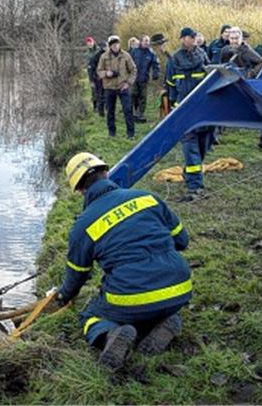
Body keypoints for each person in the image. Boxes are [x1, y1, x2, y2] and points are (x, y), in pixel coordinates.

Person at [55, 152, 192, 371]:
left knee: (90, 315)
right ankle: (164, 320)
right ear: (106, 173)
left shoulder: (82, 226)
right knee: (152, 305)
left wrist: (63, 296)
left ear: (80, 190)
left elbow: (77, 275)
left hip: (130, 295)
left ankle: (109, 334)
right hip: (180, 287)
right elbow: (182, 241)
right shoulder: (148, 198)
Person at [165, 27, 212, 201]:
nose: (194, 39)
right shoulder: (175, 59)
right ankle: (195, 186)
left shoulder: (202, 55)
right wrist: (172, 106)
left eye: (194, 37)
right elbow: (170, 83)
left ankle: (189, 173)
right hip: (183, 110)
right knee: (190, 148)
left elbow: (210, 78)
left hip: (202, 109)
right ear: (184, 39)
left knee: (203, 145)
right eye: (191, 37)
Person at [97, 35, 137, 138]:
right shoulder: (104, 56)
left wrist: (128, 83)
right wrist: (106, 73)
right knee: (110, 111)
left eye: (117, 44)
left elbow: (133, 70)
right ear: (110, 46)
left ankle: (131, 133)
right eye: (113, 44)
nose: (115, 46)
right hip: (109, 88)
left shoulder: (126, 55)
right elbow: (99, 71)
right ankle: (112, 133)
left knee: (128, 110)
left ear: (119, 44)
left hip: (123, 87)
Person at [129, 35, 159, 122]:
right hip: (134, 77)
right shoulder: (134, 51)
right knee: (133, 95)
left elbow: (156, 64)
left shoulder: (151, 53)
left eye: (148, 41)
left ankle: (140, 113)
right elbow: (128, 62)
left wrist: (155, 74)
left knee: (143, 96)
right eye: (145, 41)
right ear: (141, 42)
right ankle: (133, 112)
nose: (147, 43)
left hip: (144, 78)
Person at [85, 37, 106, 116]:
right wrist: (91, 78)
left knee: (102, 92)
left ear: (93, 42)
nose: (89, 44)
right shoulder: (87, 53)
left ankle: (102, 108)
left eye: (90, 42)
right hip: (93, 73)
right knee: (95, 91)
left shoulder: (98, 51)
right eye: (88, 43)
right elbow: (89, 65)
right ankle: (95, 107)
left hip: (100, 73)